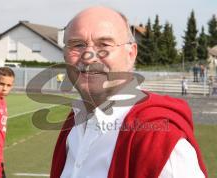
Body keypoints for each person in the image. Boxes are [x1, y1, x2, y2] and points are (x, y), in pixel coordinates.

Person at [50, 6, 207, 178]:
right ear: (64, 54)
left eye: (104, 44)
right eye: (77, 44)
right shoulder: (74, 123)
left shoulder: (159, 140)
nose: (89, 56)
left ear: (131, 53)